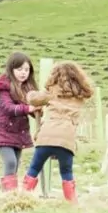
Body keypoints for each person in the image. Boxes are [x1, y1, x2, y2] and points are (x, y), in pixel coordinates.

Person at [22, 61, 94, 203]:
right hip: (66, 139)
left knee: (34, 168)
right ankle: (72, 202)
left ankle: (22, 197)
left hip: (46, 137)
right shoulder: (80, 95)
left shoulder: (52, 91)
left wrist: (30, 93)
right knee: (66, 173)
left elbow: (33, 99)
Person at [0, 52, 40, 191]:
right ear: (11, 69)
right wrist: (29, 108)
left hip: (18, 132)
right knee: (10, 162)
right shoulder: (3, 87)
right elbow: (8, 108)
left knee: (15, 164)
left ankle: (9, 192)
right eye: (19, 69)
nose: (23, 73)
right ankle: (9, 195)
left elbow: (33, 110)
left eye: (26, 70)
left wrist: (39, 110)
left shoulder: (29, 89)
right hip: (2, 130)